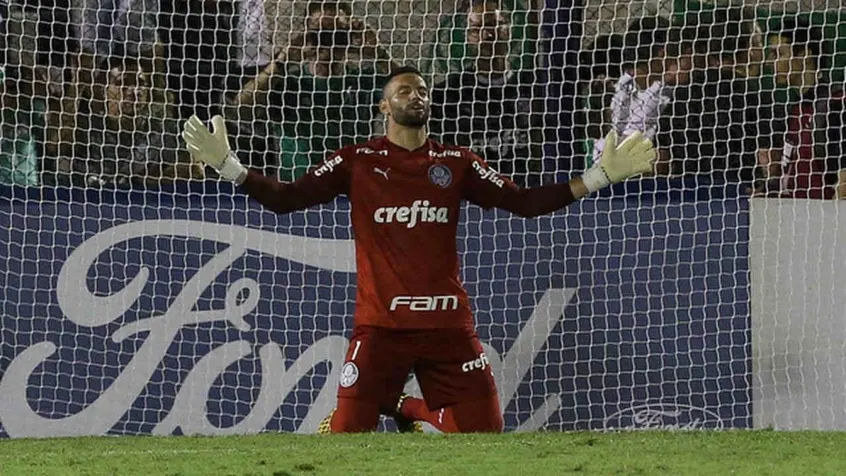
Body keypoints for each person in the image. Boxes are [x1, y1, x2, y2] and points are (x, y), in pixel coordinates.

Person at [181, 65, 656, 433]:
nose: (416, 95)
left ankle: (404, 406)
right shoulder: (357, 160)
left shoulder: (456, 162)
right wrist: (228, 165)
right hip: (382, 328)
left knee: (484, 438)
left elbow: (524, 203)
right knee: (346, 439)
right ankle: (389, 403)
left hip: (448, 327)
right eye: (405, 90)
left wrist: (598, 176)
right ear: (383, 106)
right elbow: (286, 200)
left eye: (422, 90)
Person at [753, 18, 846, 199]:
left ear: (804, 55)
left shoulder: (834, 107)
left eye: (777, 53)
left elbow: (843, 184)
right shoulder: (796, 109)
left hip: (821, 221)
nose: (769, 63)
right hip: (793, 218)